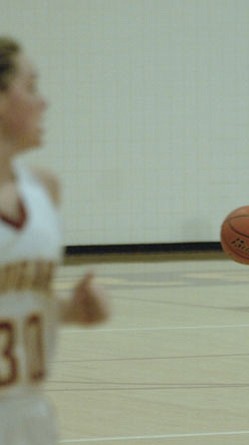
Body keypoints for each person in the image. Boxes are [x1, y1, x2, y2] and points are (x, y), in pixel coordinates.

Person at [0, 36, 109, 444]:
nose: (43, 102)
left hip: (31, 413)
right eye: (31, 87)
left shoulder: (44, 189)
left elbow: (17, 301)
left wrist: (71, 310)